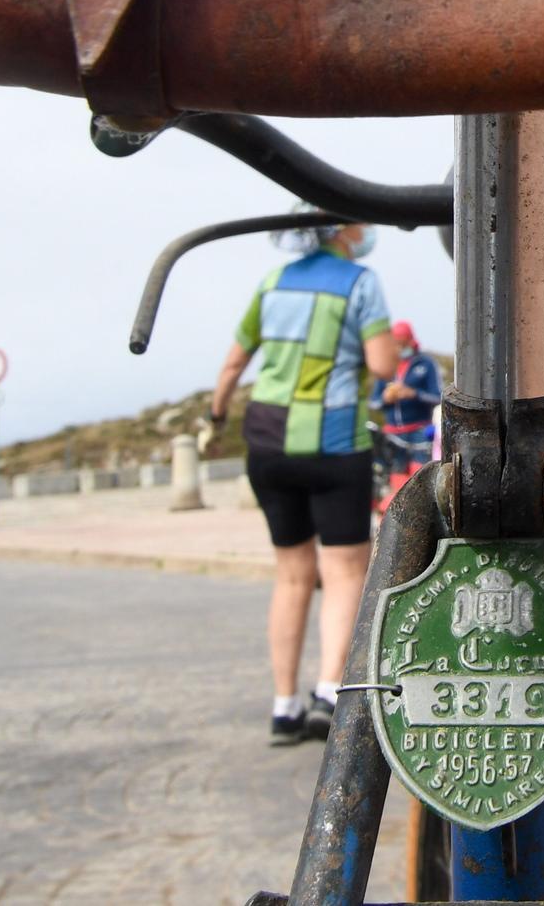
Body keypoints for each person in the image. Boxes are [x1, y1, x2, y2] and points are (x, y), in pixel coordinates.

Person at [209, 216, 397, 744]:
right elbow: (383, 364)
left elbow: (231, 366)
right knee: (341, 573)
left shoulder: (272, 283)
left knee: (291, 574)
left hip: (268, 444)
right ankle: (327, 692)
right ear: (340, 230)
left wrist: (216, 418)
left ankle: (283, 705)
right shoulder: (360, 282)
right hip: (334, 444)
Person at [375, 320, 442, 477]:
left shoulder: (426, 364)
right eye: (396, 343)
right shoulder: (387, 365)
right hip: (392, 434)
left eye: (403, 343)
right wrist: (385, 398)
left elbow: (438, 397)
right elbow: (374, 402)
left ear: (411, 341)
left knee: (423, 478)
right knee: (395, 480)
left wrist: (413, 394)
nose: (399, 348)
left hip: (420, 432)